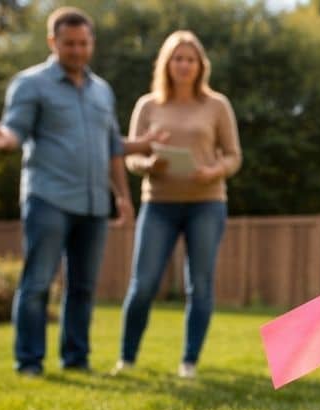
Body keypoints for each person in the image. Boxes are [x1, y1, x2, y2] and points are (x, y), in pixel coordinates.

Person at [0, 6, 162, 376]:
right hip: (49, 198)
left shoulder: (102, 91)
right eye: (68, 44)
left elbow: (111, 146)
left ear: (91, 43)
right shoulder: (31, 84)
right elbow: (15, 129)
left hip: (94, 204)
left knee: (83, 287)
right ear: (53, 42)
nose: (76, 50)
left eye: (82, 43)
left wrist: (123, 192)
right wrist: (5, 139)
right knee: (38, 283)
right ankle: (29, 362)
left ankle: (76, 359)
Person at [112, 30, 242, 379]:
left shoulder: (217, 105)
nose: (184, 65)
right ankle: (126, 358)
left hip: (206, 204)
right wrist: (148, 165)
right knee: (143, 284)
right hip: (159, 205)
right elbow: (130, 157)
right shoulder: (148, 105)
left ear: (201, 65)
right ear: (166, 64)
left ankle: (189, 362)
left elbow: (233, 156)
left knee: (199, 285)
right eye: (177, 58)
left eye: (190, 59)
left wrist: (214, 170)